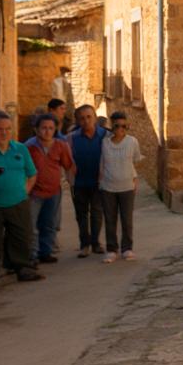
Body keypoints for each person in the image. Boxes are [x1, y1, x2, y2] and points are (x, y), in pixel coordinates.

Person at [0, 110, 43, 290]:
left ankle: (23, 268)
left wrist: (24, 193)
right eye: (0, 129)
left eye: (8, 129)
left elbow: (32, 174)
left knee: (21, 236)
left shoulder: (20, 149)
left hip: (18, 202)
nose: (4, 133)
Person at [25, 114, 76, 264]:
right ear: (36, 129)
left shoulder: (61, 146)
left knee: (49, 224)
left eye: (50, 128)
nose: (47, 131)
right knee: (32, 225)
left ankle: (45, 252)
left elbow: (68, 166)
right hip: (33, 192)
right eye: (44, 128)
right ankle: (32, 255)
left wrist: (72, 183)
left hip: (53, 192)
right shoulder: (28, 147)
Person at [99, 111, 143, 263]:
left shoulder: (132, 142)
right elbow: (101, 163)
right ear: (112, 126)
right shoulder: (105, 143)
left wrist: (135, 180)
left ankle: (127, 248)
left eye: (124, 126)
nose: (121, 129)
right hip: (108, 187)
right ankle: (112, 249)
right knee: (110, 219)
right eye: (117, 126)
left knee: (127, 219)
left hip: (127, 186)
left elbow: (136, 160)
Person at [69, 104, 108, 257]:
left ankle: (96, 243)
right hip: (79, 183)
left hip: (99, 182)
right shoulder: (72, 138)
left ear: (95, 118)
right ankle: (84, 244)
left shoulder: (105, 136)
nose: (86, 121)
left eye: (89, 117)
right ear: (78, 121)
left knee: (97, 212)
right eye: (82, 118)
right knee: (81, 214)